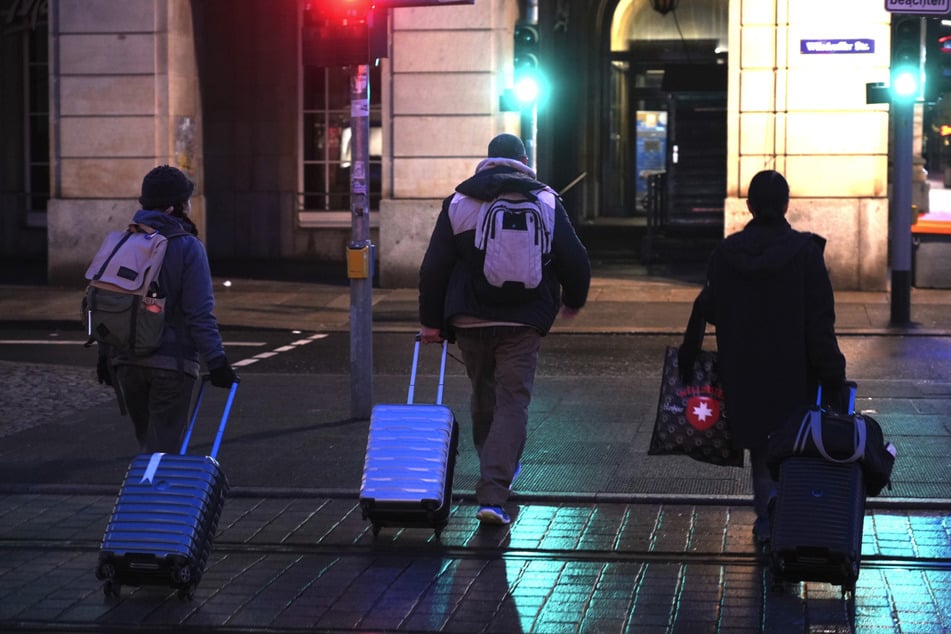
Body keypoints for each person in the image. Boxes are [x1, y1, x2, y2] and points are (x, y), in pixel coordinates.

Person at [418, 133, 591, 525]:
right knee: (513, 402)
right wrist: (573, 301)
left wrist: (431, 322)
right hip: (523, 320)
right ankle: (494, 492)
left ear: (489, 160)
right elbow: (576, 260)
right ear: (525, 159)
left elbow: (434, 268)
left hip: (470, 319)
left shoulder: (460, 201)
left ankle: (495, 474)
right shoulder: (545, 200)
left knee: (484, 398)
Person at [687, 169, 846, 545]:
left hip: (743, 368)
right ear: (786, 204)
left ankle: (766, 514)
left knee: (760, 445)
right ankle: (788, 513)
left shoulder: (727, 254)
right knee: (794, 443)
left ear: (750, 206)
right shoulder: (806, 253)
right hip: (796, 371)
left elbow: (710, 308)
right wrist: (833, 376)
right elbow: (820, 324)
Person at [97, 165, 238, 453]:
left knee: (148, 447)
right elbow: (199, 313)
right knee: (165, 455)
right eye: (186, 200)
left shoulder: (124, 241)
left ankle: (143, 495)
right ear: (174, 208)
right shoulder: (188, 247)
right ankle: (151, 498)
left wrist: (105, 353)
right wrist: (217, 362)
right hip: (170, 365)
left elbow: (108, 300)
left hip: (126, 362)